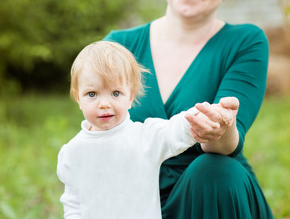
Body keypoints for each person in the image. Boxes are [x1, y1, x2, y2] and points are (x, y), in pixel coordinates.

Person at [103, 0, 274, 218]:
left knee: (214, 169)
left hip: (213, 198)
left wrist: (220, 128)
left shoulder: (246, 42)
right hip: (133, 199)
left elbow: (224, 143)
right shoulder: (117, 47)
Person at [56, 41, 237, 219]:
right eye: (92, 94)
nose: (104, 104)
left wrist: (205, 114)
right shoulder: (72, 152)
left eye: (116, 93)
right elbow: (73, 202)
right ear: (78, 98)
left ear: (130, 97)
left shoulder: (145, 137)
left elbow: (175, 129)